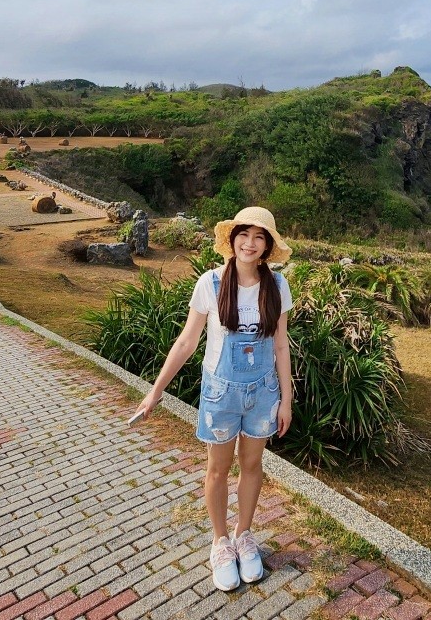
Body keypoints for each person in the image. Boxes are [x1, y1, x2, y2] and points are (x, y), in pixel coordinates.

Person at [133, 207, 294, 592]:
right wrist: (155, 392)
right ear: (232, 239)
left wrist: (287, 400)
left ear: (268, 246)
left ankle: (244, 534)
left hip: (263, 392)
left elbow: (281, 346)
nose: (250, 243)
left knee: (252, 464)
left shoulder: (278, 286)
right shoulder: (211, 282)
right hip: (220, 391)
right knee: (218, 468)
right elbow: (187, 341)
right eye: (244, 234)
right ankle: (220, 543)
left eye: (259, 237)